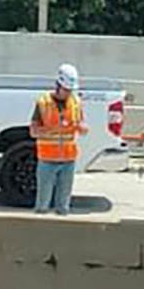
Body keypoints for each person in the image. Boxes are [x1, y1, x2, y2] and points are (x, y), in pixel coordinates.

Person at [30, 64, 88, 216]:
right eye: (66, 90)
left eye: (70, 90)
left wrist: (82, 128)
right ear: (58, 85)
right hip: (47, 159)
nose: (68, 93)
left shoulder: (75, 103)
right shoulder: (43, 103)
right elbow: (33, 131)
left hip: (68, 159)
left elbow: (81, 123)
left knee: (63, 206)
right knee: (43, 204)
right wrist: (53, 129)